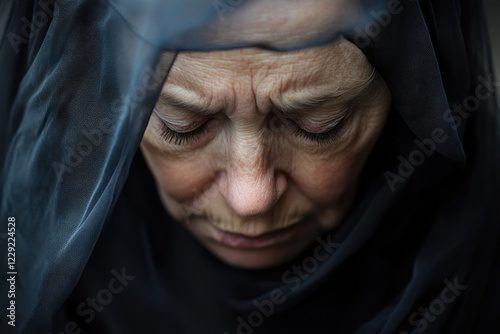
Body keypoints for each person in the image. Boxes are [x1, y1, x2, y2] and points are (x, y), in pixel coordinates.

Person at [1, 0, 499, 333]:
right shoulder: (21, 286)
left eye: (320, 126)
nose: (252, 197)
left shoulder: (478, 285)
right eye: (183, 125)